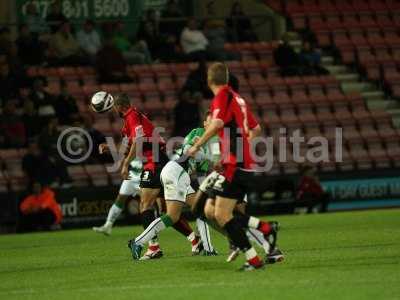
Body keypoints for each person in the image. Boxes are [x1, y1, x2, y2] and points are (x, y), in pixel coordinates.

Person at [187, 62, 280, 271]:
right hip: (235, 161)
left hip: (236, 163)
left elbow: (218, 124)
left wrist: (198, 145)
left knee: (221, 214)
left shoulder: (222, 96)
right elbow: (254, 129)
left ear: (209, 80)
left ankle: (256, 253)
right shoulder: (238, 98)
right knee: (211, 210)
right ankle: (265, 230)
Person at [112, 94, 201, 259]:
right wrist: (109, 148)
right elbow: (133, 145)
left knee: (145, 205)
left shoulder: (131, 116)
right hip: (160, 162)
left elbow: (138, 141)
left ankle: (153, 247)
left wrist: (125, 164)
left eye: (113, 108)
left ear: (118, 107)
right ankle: (195, 240)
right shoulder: (133, 119)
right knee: (167, 211)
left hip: (154, 163)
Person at [128, 116, 220, 259]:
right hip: (176, 171)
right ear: (205, 123)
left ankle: (206, 248)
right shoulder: (198, 132)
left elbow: (202, 173)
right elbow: (189, 151)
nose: (213, 123)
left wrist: (205, 191)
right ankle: (138, 242)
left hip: (180, 175)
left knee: (187, 212)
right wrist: (206, 156)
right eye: (210, 120)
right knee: (179, 215)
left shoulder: (213, 143)